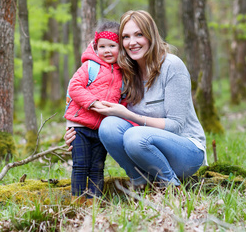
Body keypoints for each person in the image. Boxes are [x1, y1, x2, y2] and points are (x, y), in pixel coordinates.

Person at [64, 10, 207, 189]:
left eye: (139, 34)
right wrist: (76, 130)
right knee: (108, 126)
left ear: (151, 35)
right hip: (144, 150)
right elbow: (80, 92)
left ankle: (170, 186)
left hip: (186, 152)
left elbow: (176, 126)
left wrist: (128, 115)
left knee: (134, 135)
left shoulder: (172, 65)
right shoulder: (125, 73)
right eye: (126, 37)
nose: (132, 42)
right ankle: (142, 184)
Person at [64, 20, 123, 203]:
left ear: (120, 47)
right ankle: (77, 201)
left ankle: (94, 202)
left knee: (97, 167)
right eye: (102, 46)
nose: (107, 51)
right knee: (81, 165)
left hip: (102, 128)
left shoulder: (124, 73)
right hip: (80, 125)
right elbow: (74, 87)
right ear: (96, 47)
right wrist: (93, 103)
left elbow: (124, 99)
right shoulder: (90, 66)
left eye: (112, 46)